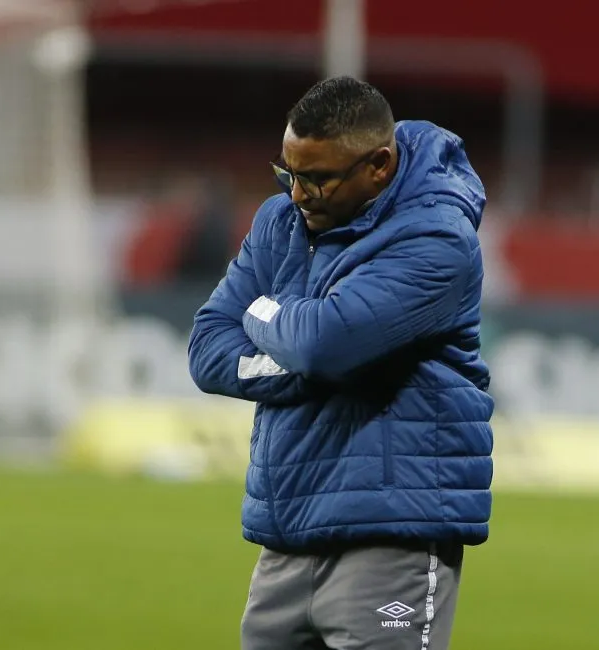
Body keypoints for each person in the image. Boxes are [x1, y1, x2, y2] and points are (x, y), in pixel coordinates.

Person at [187, 76, 494, 650]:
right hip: (286, 532)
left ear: (378, 165)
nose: (299, 194)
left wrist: (271, 320)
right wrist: (302, 352)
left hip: (390, 535)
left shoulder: (436, 237)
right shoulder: (280, 220)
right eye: (288, 172)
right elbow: (208, 348)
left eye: (318, 178)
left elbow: (323, 345)